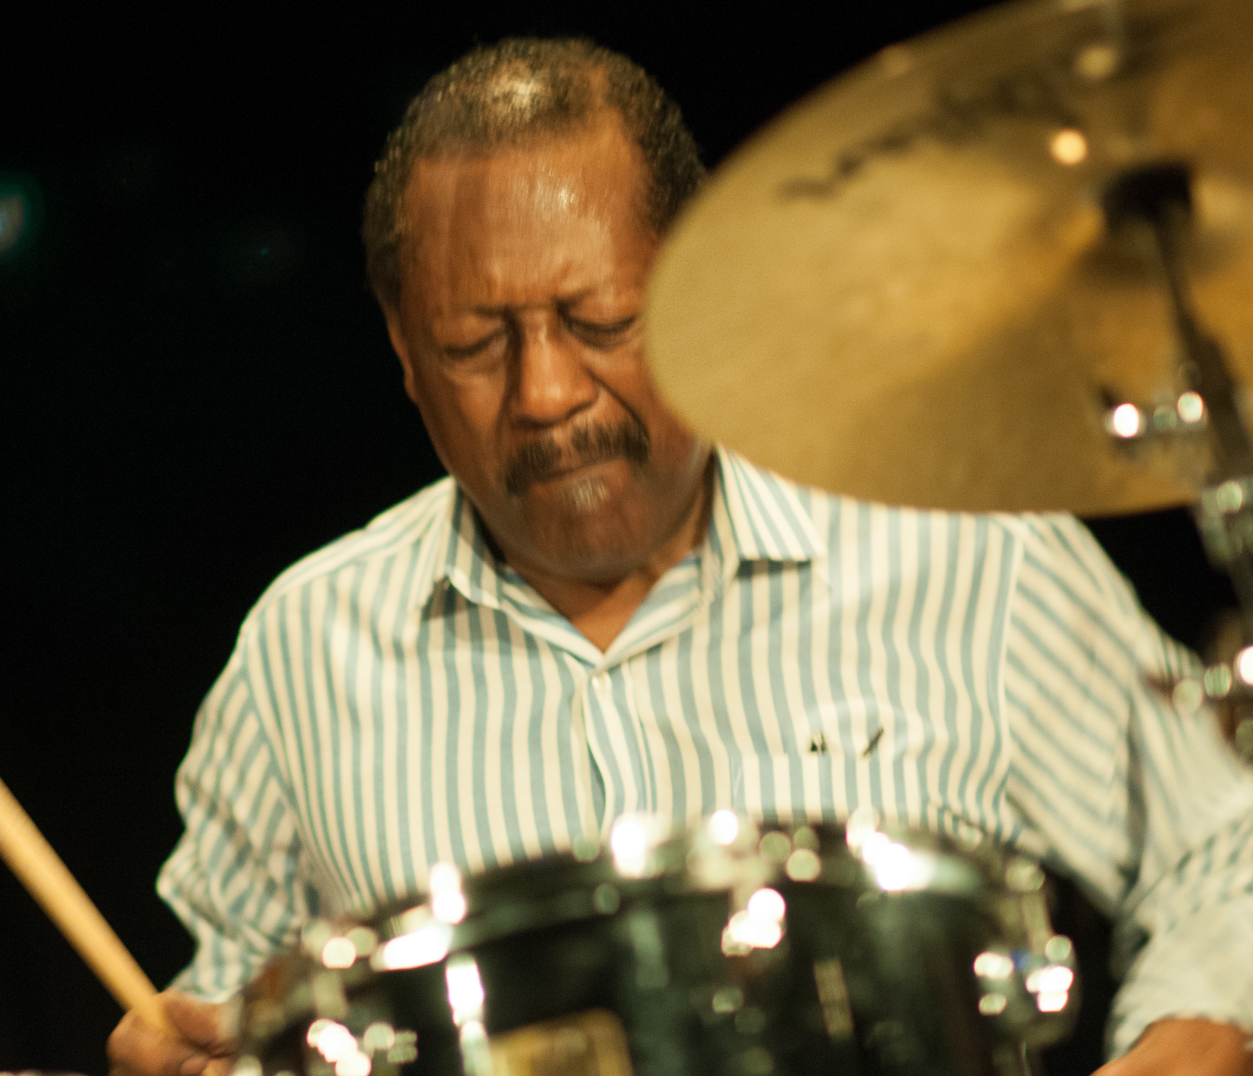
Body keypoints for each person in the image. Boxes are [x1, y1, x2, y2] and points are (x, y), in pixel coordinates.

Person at [109, 37, 1253, 1076]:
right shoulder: (300, 654)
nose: (546, 392)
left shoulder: (961, 555)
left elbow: (1222, 847)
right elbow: (226, 1007)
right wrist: (189, 1052)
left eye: (599, 318)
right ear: (404, 348)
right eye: (474, 343)